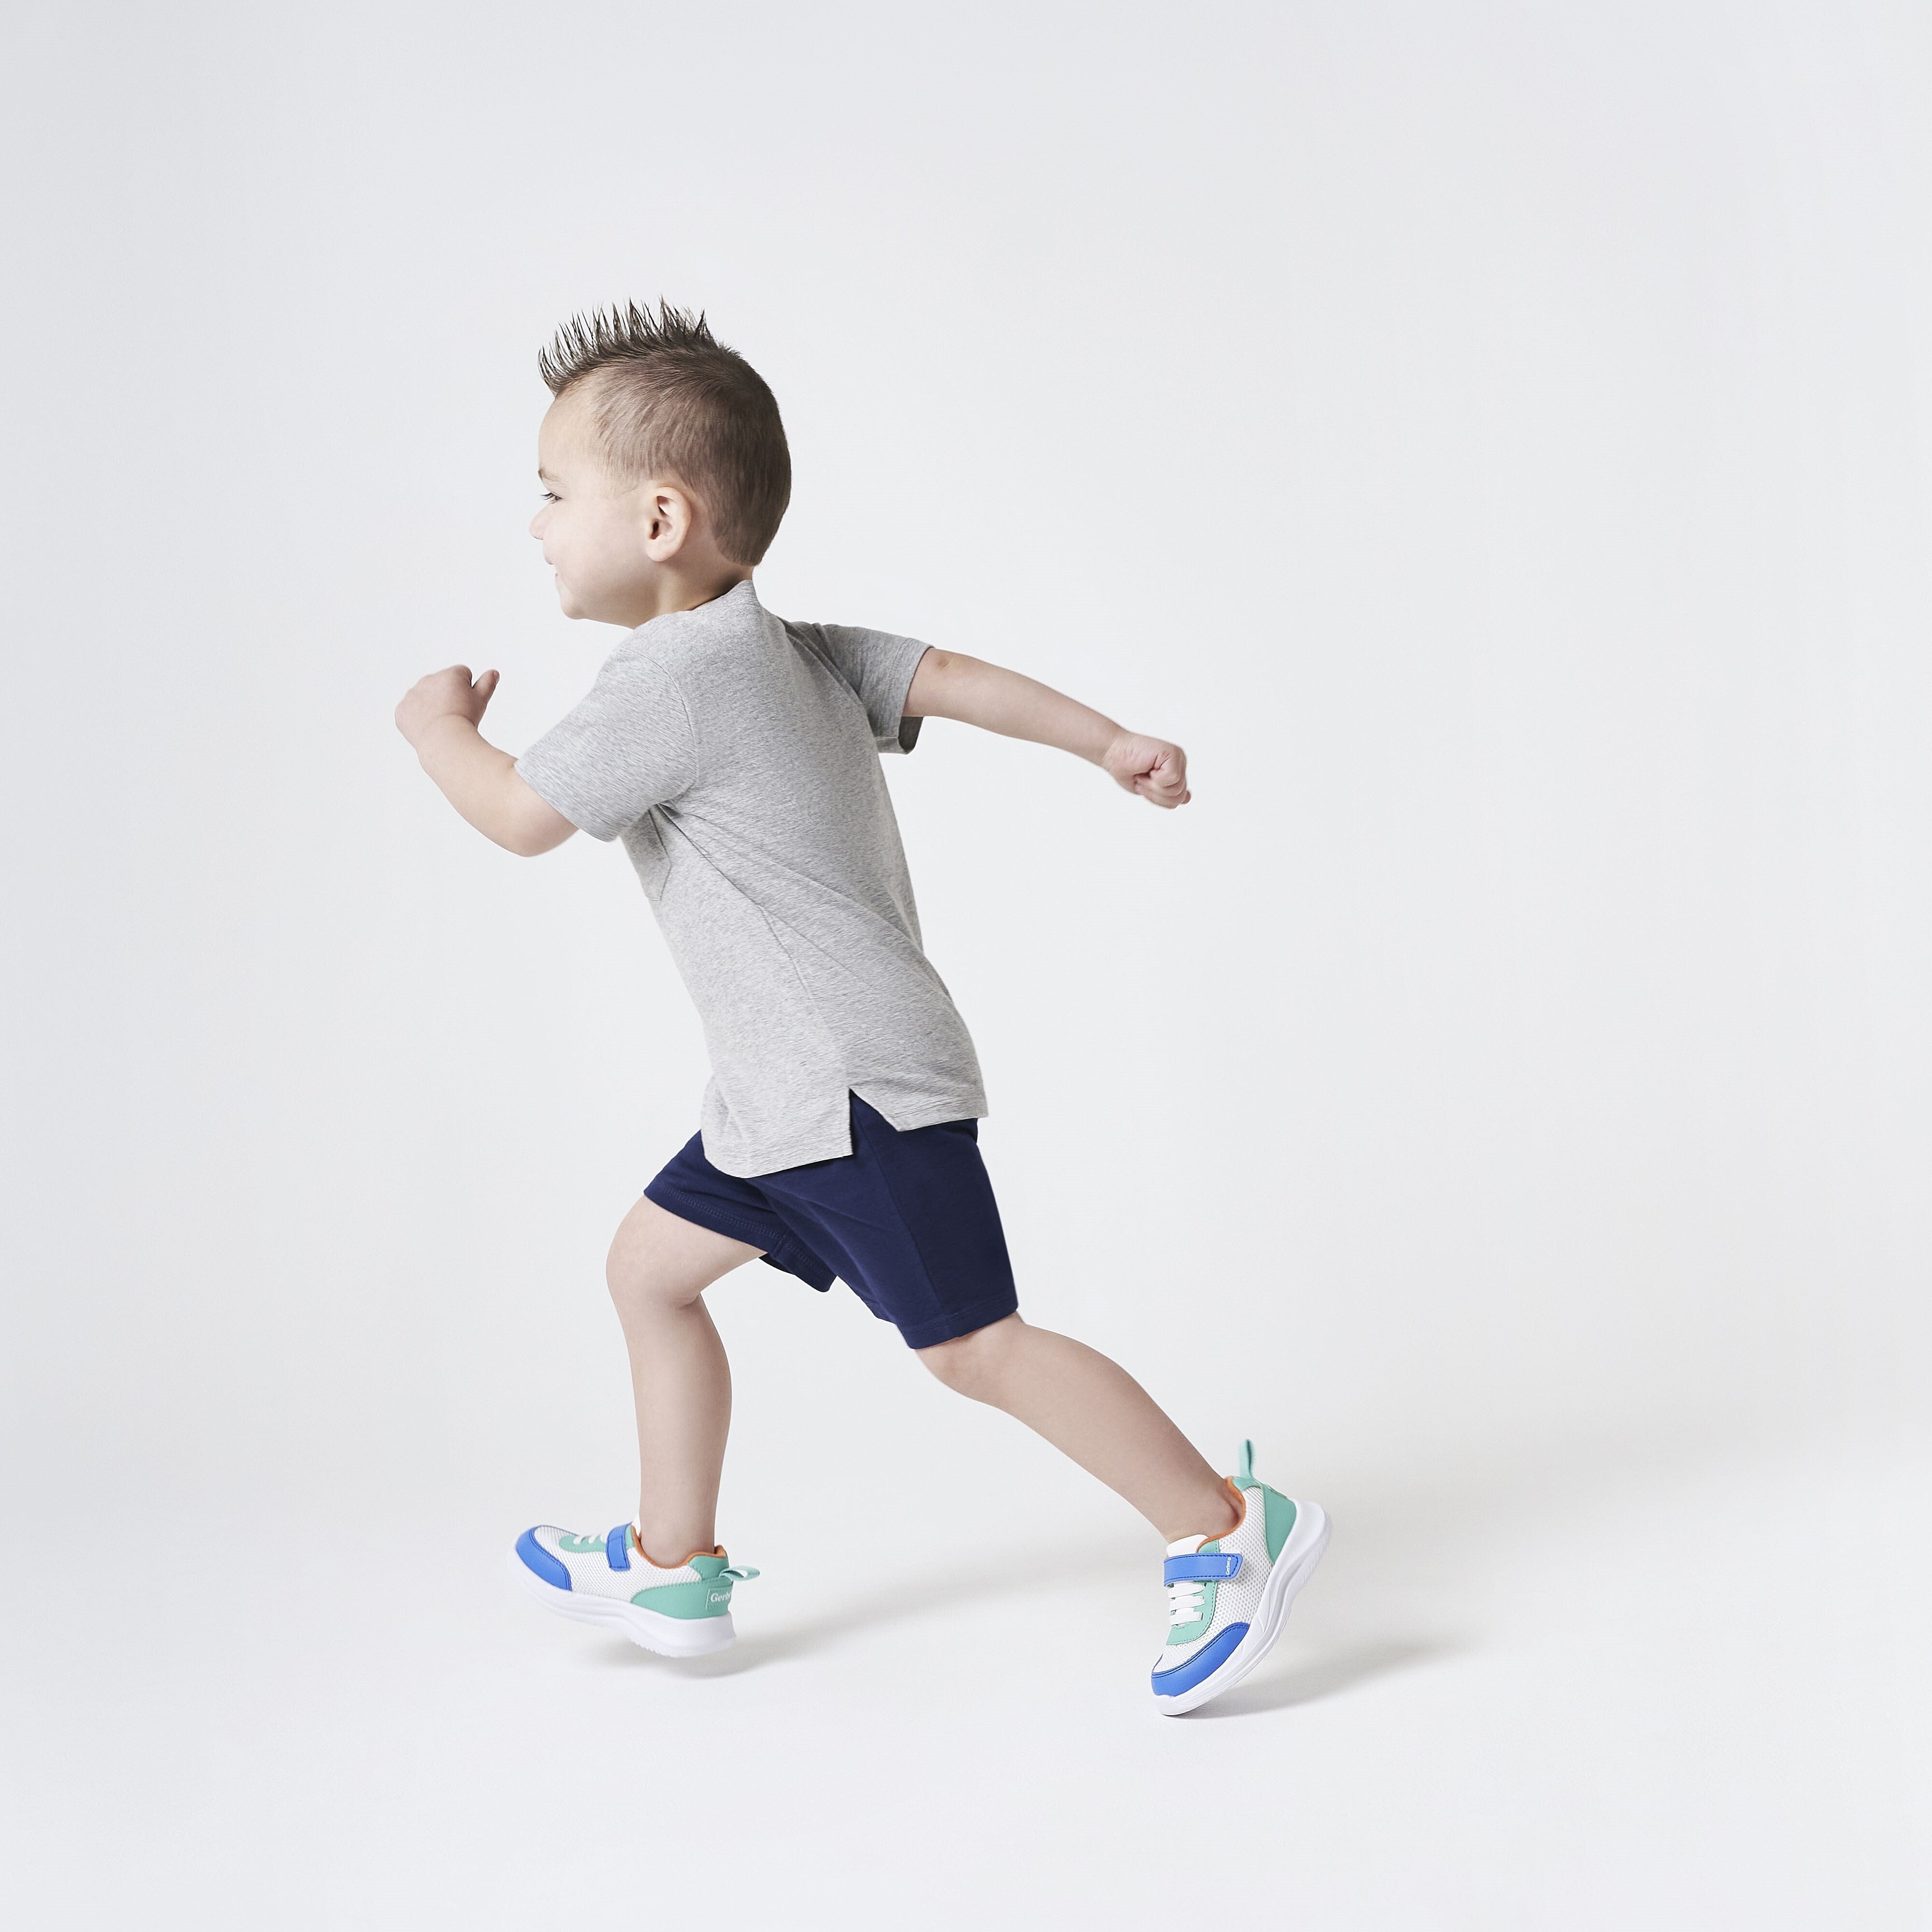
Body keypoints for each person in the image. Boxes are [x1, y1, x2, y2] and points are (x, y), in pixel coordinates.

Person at [393, 301, 1327, 1714]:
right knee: (649, 1273)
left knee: (974, 1346)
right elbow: (951, 678)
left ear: (660, 519)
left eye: (553, 492)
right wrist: (1107, 742)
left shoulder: (670, 679)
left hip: (849, 1094)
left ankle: (1228, 1527)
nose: (536, 524)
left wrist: (437, 732)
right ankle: (671, 1563)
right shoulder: (787, 649)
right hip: (780, 1103)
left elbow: (522, 815)